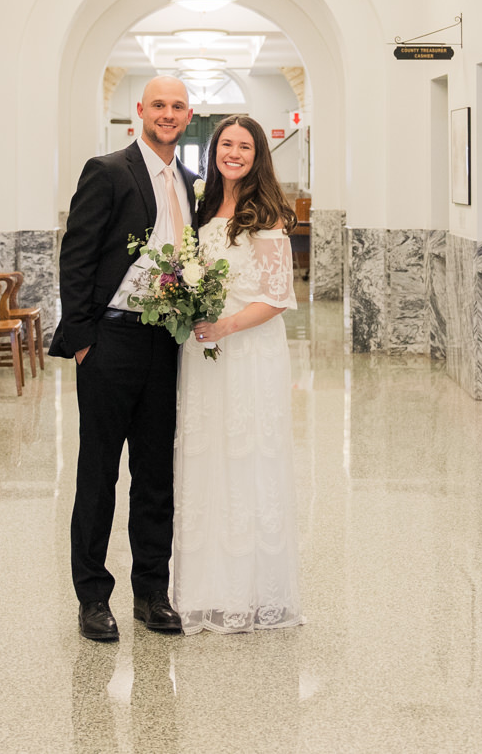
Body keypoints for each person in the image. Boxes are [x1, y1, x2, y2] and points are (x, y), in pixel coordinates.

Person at [50, 75, 199, 643]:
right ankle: (92, 597)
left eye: (177, 107)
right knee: (99, 472)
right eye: (158, 105)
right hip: (110, 343)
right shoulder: (108, 170)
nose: (167, 114)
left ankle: (152, 593)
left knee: (156, 473)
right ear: (140, 110)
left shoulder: (190, 183)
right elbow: (77, 255)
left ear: (189, 116)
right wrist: (84, 339)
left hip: (166, 342)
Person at [174, 114, 304, 633]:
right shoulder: (203, 205)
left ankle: (250, 591)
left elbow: (277, 297)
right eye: (225, 144)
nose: (233, 153)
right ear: (214, 150)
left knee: (248, 456)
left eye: (244, 146)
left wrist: (225, 325)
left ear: (258, 155)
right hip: (203, 353)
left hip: (248, 350)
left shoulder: (267, 214)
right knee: (208, 456)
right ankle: (204, 587)